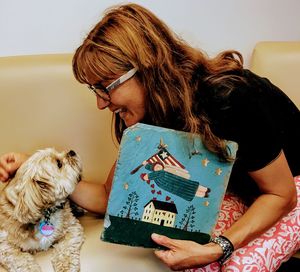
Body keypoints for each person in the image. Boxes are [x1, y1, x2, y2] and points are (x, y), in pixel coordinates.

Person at [0, 3, 299, 271]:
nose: (100, 103)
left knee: (239, 266)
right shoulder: (147, 117)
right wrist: (35, 168)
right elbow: (109, 197)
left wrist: (216, 248)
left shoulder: (232, 97)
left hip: (289, 189)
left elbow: (280, 195)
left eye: (106, 86)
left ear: (146, 68)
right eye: (94, 90)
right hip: (243, 192)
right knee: (186, 256)